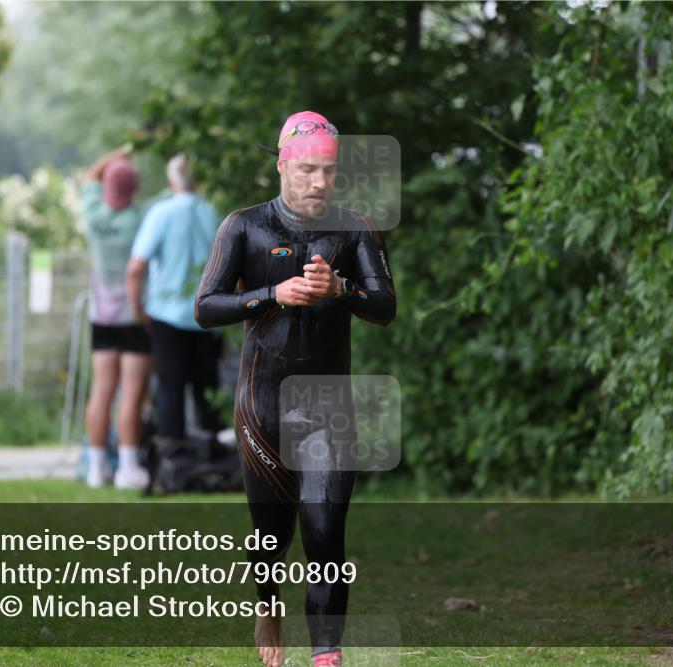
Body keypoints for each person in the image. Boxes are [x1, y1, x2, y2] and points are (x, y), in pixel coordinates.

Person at [194, 111, 396, 667]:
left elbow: (385, 307)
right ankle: (267, 603)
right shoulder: (244, 226)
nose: (318, 182)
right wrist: (272, 294)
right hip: (262, 407)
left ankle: (326, 655)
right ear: (283, 166)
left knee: (326, 530)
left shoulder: (355, 229)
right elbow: (206, 307)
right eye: (307, 169)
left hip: (329, 410)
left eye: (328, 172)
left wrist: (341, 288)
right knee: (271, 538)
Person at [126, 153, 223, 448]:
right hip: (209, 315)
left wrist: (138, 310)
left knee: (170, 389)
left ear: (171, 182)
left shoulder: (161, 213)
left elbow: (135, 268)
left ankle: (172, 453)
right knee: (207, 390)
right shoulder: (214, 212)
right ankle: (213, 453)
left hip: (167, 315)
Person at [80, 149, 152, 490]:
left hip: (101, 316)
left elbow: (89, 178)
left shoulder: (93, 213)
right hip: (134, 316)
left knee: (102, 392)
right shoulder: (139, 218)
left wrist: (118, 153)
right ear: (134, 189)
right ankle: (127, 468)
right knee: (132, 394)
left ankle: (95, 470)